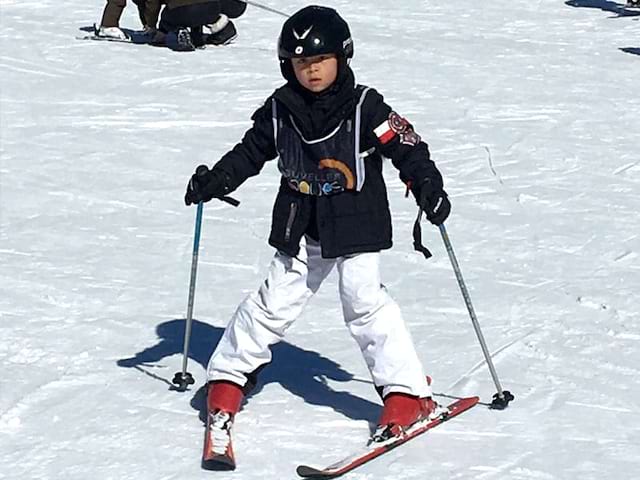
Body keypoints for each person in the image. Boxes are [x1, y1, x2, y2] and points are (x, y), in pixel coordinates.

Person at [184, 5, 451, 464]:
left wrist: (427, 183)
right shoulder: (278, 109)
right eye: (300, 63)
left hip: (356, 218)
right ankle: (228, 378)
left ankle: (407, 394)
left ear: (342, 57)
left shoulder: (367, 105)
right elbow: (251, 152)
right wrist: (218, 180)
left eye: (320, 61)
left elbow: (406, 145)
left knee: (362, 299)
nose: (310, 71)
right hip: (300, 218)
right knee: (274, 299)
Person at [152, 0, 247, 51]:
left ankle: (178, 31)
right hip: (213, 6)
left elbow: (151, 4)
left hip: (185, 10)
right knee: (203, 8)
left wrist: (150, 25)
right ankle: (223, 27)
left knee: (168, 16)